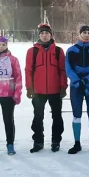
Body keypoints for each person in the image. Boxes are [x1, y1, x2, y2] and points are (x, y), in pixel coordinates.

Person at [26, 23, 67, 153]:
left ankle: (56, 141)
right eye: (42, 33)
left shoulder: (58, 51)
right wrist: (29, 88)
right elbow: (28, 71)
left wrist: (63, 87)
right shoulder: (32, 51)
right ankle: (38, 141)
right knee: (38, 117)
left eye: (47, 33)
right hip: (38, 91)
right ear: (39, 35)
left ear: (51, 35)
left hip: (55, 91)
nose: (44, 35)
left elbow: (62, 70)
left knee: (57, 117)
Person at [65, 25, 89, 154]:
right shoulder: (71, 50)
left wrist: (86, 80)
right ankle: (77, 143)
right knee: (77, 114)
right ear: (79, 34)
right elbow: (68, 69)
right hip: (76, 87)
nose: (86, 34)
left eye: (88, 33)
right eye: (84, 32)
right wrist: (77, 81)